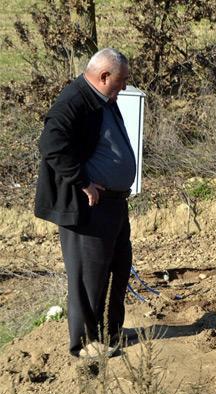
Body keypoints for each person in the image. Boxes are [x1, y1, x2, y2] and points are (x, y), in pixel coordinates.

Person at [34, 48, 134, 358]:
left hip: (113, 203)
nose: (125, 86)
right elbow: (51, 144)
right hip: (88, 206)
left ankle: (110, 333)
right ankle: (86, 343)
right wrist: (82, 182)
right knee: (88, 277)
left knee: (118, 267)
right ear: (104, 77)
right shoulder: (75, 100)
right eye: (121, 80)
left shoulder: (103, 98)